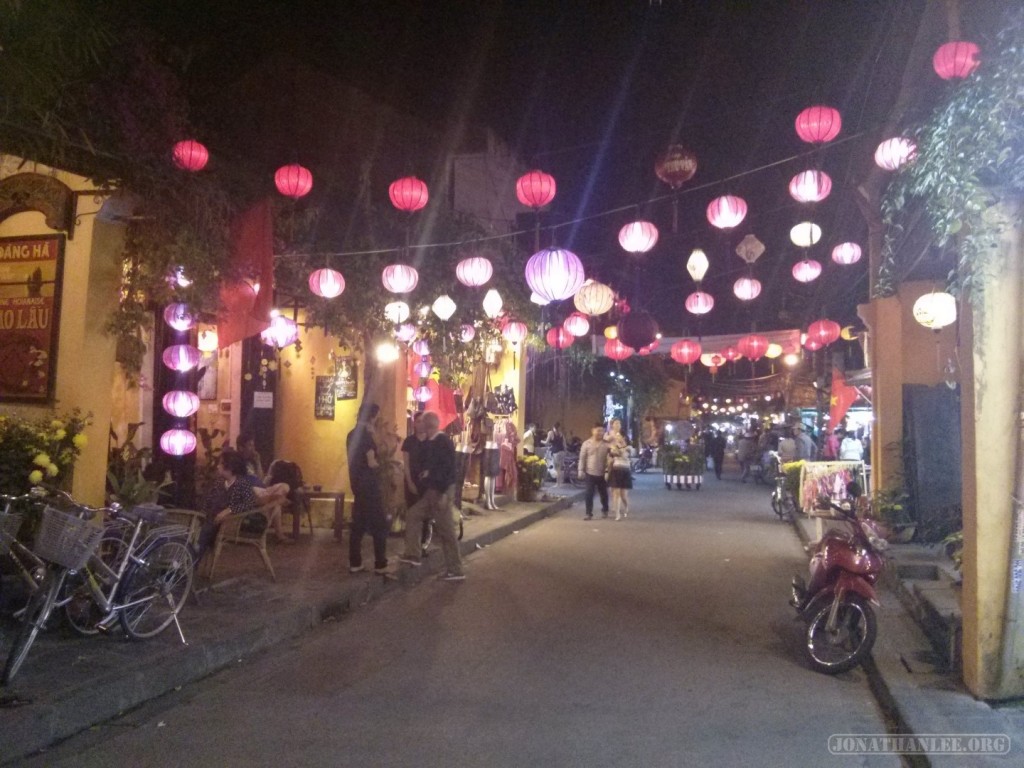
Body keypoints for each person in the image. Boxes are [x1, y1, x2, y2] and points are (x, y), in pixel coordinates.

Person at [399, 411, 465, 581]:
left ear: (426, 425)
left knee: (446, 531)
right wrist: (428, 473)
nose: (418, 424)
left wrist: (444, 493)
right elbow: (437, 466)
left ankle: (455, 569)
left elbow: (448, 469)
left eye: (421, 422)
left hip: (440, 491)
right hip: (432, 491)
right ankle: (413, 554)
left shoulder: (442, 441)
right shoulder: (432, 442)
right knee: (413, 515)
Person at [194, 449, 258, 564]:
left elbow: (249, 503)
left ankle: (191, 564)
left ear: (230, 467)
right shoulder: (219, 482)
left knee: (204, 533)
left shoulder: (242, 484)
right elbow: (208, 501)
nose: (218, 466)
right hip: (211, 517)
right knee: (193, 529)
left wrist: (229, 510)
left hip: (228, 522)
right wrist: (201, 514)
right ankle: (185, 562)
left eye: (221, 464)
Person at [346, 403, 389, 575]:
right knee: (380, 525)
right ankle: (380, 564)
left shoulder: (351, 435)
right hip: (369, 485)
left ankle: (355, 562)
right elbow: (371, 462)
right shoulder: (367, 437)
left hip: (356, 483)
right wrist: (381, 466)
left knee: (358, 525)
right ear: (372, 416)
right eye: (377, 415)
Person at [401, 412, 431, 550]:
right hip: (411, 481)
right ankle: (412, 545)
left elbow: (435, 463)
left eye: (423, 421)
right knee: (412, 513)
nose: (421, 424)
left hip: (427, 483)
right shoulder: (409, 442)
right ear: (414, 423)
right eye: (418, 421)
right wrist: (410, 482)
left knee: (426, 515)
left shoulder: (432, 441)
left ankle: (423, 544)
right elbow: (406, 464)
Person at [578, 423, 611, 520]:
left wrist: (608, 471)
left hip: (602, 474)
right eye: (598, 430)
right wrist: (580, 470)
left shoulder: (606, 444)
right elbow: (582, 458)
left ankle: (605, 510)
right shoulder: (586, 444)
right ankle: (588, 513)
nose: (600, 433)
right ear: (593, 431)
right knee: (589, 493)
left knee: (604, 494)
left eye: (602, 431)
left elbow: (611, 457)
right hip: (590, 473)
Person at [605, 419, 632, 520]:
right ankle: (617, 513)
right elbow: (610, 451)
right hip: (616, 468)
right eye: (615, 423)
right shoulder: (610, 438)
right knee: (615, 491)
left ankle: (626, 506)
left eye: (619, 423)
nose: (619, 438)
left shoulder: (628, 446)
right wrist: (614, 450)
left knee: (623, 494)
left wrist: (621, 449)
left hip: (625, 469)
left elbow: (626, 455)